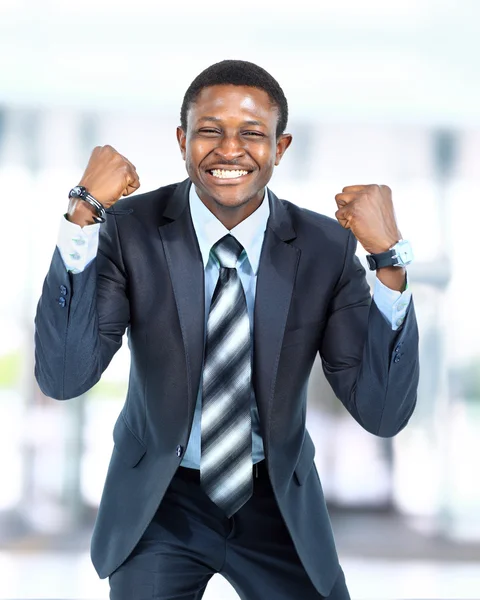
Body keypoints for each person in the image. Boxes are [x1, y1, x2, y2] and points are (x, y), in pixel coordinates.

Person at [34, 60, 419, 600]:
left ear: (280, 148)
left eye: (252, 134)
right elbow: (65, 376)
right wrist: (82, 214)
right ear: (182, 139)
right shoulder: (130, 231)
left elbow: (382, 412)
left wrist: (388, 262)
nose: (230, 150)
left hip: (276, 498)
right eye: (209, 130)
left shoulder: (325, 247)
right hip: (160, 501)